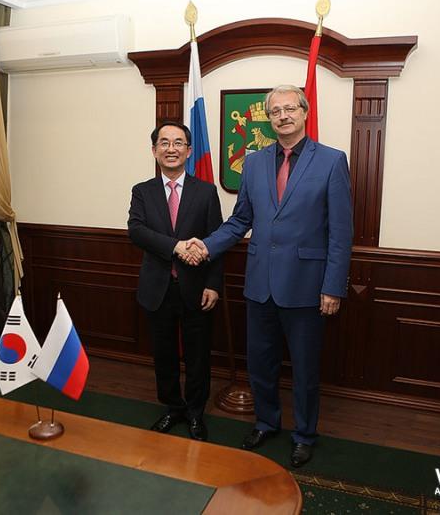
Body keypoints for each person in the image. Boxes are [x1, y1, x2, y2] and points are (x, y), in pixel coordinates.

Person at [184, 85, 353, 466]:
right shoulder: (254, 163)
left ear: (304, 112)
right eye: (275, 111)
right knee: (260, 363)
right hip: (259, 284)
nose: (283, 116)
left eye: (290, 108)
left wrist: (333, 287)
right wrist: (206, 245)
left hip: (307, 286)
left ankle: (304, 434)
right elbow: (241, 219)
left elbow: (341, 233)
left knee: (305, 369)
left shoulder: (331, 161)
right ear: (268, 119)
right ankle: (266, 422)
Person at [127, 121, 224, 441]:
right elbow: (136, 231)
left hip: (197, 289)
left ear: (189, 150)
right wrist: (177, 247)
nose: (172, 149)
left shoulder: (206, 192)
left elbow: (216, 241)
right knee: (164, 355)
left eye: (178, 143)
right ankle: (173, 407)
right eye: (165, 143)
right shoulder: (142, 191)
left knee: (198, 356)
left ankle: (195, 413)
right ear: (154, 150)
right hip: (157, 289)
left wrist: (214, 284)